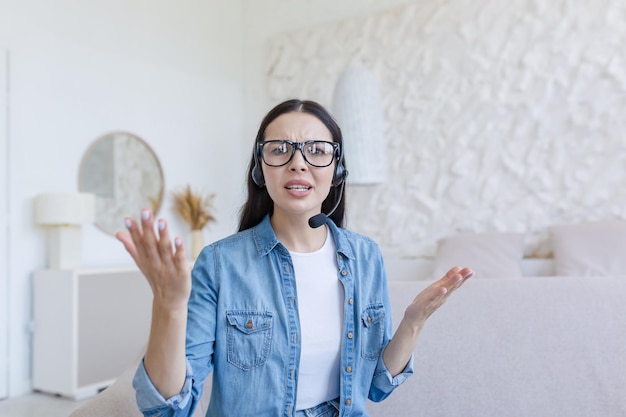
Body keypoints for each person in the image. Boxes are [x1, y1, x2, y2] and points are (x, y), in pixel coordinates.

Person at [116, 99, 473, 417]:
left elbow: (377, 386)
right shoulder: (220, 263)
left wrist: (413, 321)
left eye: (317, 150)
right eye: (280, 149)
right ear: (260, 168)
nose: (298, 163)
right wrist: (169, 306)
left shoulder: (365, 256)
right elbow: (167, 409)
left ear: (338, 170)